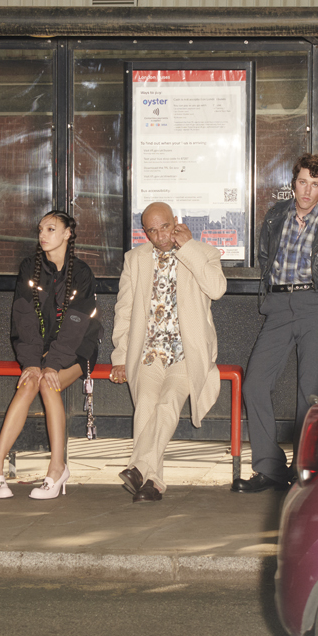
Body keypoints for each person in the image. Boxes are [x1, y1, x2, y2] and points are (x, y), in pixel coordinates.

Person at [237, 153, 318, 493]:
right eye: (302, 182)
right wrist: (272, 296)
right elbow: (267, 259)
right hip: (279, 305)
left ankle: (303, 469)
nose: (307, 191)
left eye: (315, 185)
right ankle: (269, 469)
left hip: (315, 305)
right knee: (254, 384)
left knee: (309, 392)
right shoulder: (275, 217)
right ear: (292, 183)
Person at [109, 203, 227, 502]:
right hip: (148, 352)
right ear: (144, 232)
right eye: (152, 230)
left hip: (186, 353)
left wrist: (188, 248)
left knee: (168, 403)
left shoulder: (202, 251)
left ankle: (138, 466)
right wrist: (120, 356)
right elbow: (123, 310)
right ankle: (152, 482)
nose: (160, 235)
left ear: (175, 222)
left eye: (164, 226)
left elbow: (216, 289)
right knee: (146, 406)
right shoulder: (134, 260)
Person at [0, 211, 101, 500]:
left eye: (51, 229)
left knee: (49, 384)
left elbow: (77, 326)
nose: (43, 234)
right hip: (38, 349)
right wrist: (34, 364)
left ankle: (57, 467)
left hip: (77, 348)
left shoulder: (82, 273)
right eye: (40, 229)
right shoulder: (29, 269)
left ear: (67, 234)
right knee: (29, 383)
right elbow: (23, 321)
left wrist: (52, 365)